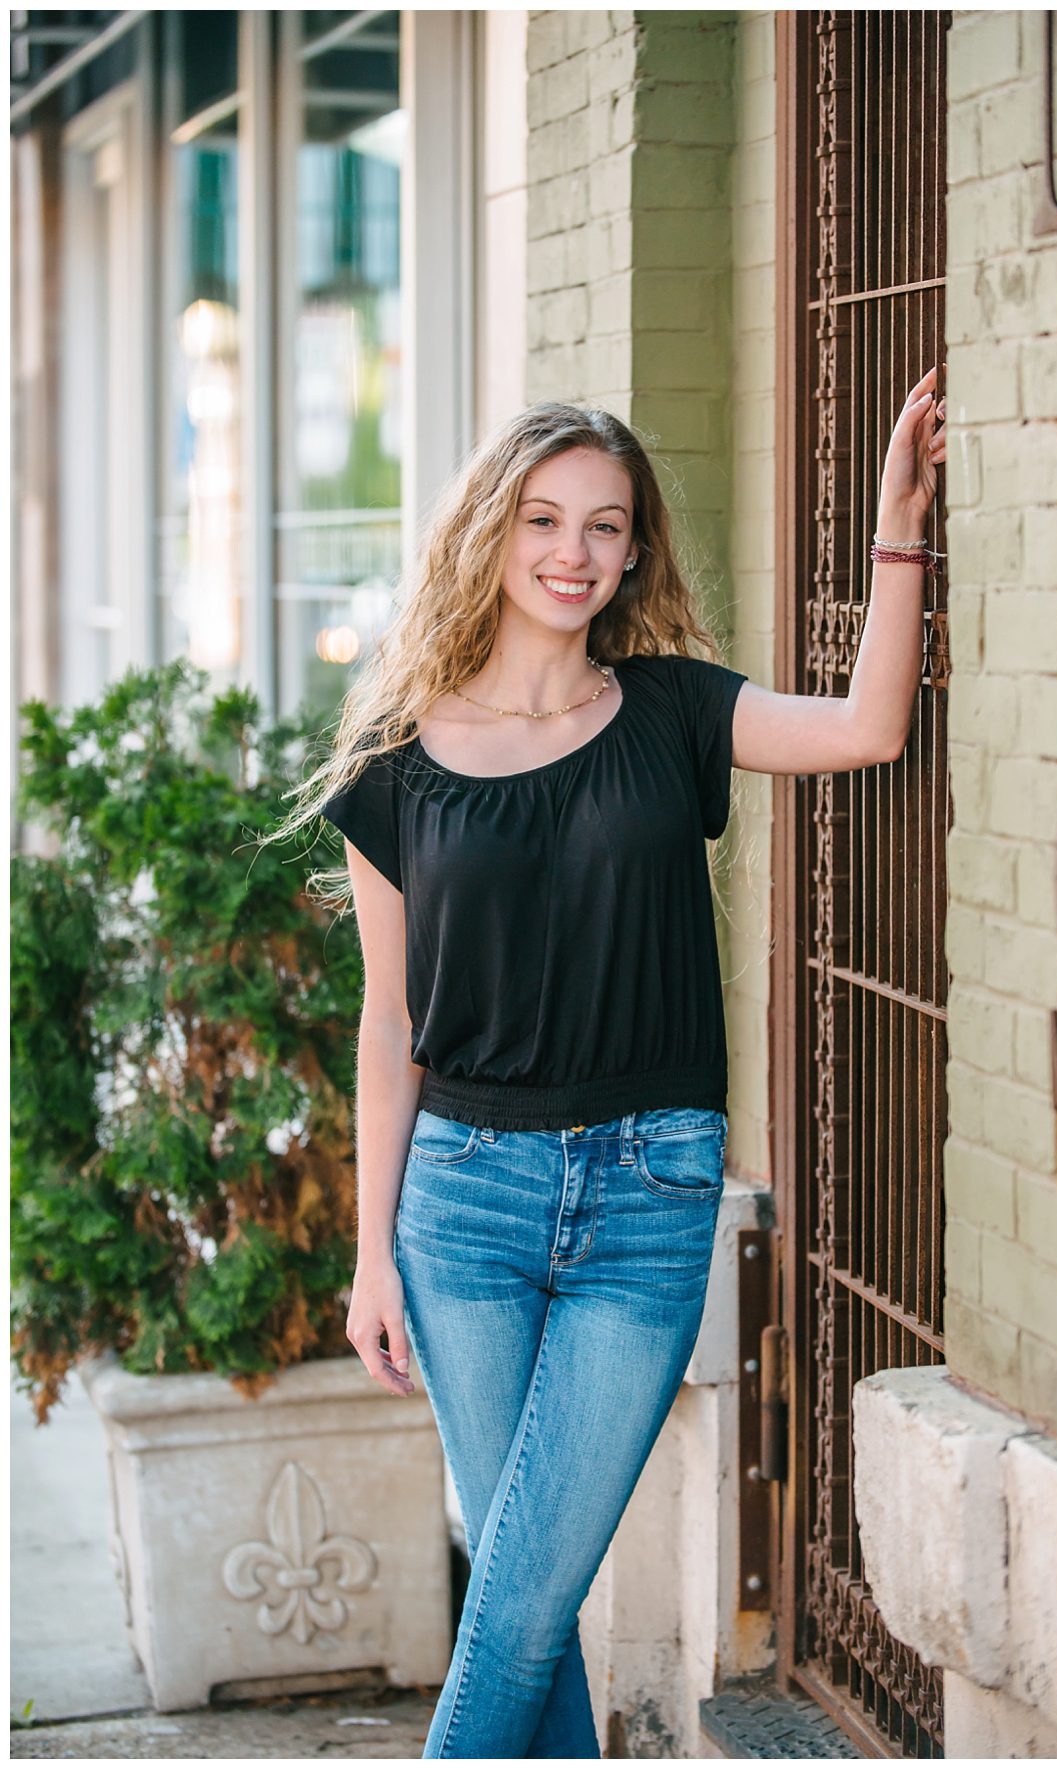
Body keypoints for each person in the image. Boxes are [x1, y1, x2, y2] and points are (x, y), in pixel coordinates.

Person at [275, 372, 946, 1758]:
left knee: (519, 1599)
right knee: (536, 1601)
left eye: (605, 526)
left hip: (646, 1198)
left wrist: (898, 536)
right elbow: (388, 1024)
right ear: (491, 535)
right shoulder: (397, 766)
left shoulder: (671, 713)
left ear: (637, 548)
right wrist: (370, 1256)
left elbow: (866, 730)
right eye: (543, 521)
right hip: (459, 1209)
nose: (573, 553)